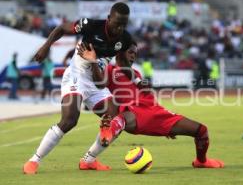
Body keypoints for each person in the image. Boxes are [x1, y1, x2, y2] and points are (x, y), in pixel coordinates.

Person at [23, 2, 136, 174]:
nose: (119, 28)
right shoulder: (90, 26)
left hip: (95, 80)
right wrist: (45, 47)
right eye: (116, 23)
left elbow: (122, 62)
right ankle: (33, 161)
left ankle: (88, 160)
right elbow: (61, 28)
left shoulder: (124, 39)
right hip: (77, 75)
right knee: (69, 120)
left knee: (116, 120)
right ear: (108, 19)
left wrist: (135, 80)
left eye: (123, 24)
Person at [77, 42, 225, 168]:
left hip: (157, 113)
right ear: (119, 53)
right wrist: (93, 61)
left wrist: (167, 126)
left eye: (135, 53)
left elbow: (148, 98)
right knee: (123, 117)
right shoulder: (111, 70)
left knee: (201, 130)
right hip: (133, 113)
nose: (133, 56)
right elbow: (99, 83)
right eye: (130, 52)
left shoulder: (136, 74)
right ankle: (107, 130)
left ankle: (202, 161)